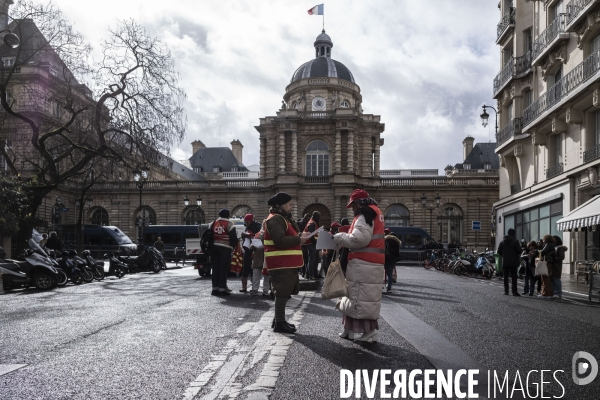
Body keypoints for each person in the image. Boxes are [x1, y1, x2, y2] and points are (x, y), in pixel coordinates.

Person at [333, 189, 385, 343]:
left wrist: (340, 237)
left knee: (359, 298)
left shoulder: (364, 214)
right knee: (357, 297)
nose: (353, 209)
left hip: (363, 262)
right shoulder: (375, 212)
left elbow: (359, 240)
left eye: (353, 205)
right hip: (371, 262)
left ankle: (369, 333)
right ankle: (349, 329)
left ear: (358, 203)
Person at [264, 192, 308, 334]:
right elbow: (280, 241)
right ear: (281, 205)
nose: (292, 206)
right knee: (282, 292)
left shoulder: (280, 218)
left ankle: (278, 319)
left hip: (284, 262)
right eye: (289, 204)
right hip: (280, 262)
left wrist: (299, 237)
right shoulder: (276, 219)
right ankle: (280, 323)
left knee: (284, 291)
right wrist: (298, 240)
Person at [209, 209, 239, 296]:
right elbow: (233, 238)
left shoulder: (213, 223)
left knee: (215, 268)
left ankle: (215, 289)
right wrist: (234, 246)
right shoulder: (230, 224)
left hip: (214, 247)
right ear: (228, 215)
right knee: (223, 268)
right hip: (225, 248)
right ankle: (222, 289)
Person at [240, 213, 262, 293]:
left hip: (256, 248)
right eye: (245, 221)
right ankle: (244, 286)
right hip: (247, 248)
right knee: (245, 266)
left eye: (247, 221)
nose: (246, 223)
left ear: (251, 220)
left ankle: (254, 286)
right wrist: (244, 236)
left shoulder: (258, 225)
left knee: (255, 267)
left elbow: (260, 235)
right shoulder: (247, 226)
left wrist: (250, 235)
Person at [497, 228, 521, 296]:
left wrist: (504, 254)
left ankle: (506, 291)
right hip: (514, 262)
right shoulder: (516, 241)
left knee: (505, 277)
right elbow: (519, 251)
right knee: (514, 277)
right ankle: (514, 291)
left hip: (505, 261)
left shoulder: (502, 242)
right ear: (513, 233)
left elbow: (499, 252)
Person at [250, 222, 267, 296]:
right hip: (258, 255)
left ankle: (265, 290)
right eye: (263, 224)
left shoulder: (269, 233)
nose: (263, 226)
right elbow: (253, 242)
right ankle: (255, 289)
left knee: (266, 274)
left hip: (265, 255)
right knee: (256, 273)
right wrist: (252, 246)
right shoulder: (258, 234)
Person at [302, 211, 321, 280]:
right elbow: (311, 235)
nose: (319, 218)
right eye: (318, 217)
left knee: (312, 259)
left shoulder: (312, 222)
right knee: (312, 260)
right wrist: (315, 243)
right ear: (315, 216)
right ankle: (311, 275)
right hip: (311, 244)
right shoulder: (312, 223)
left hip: (310, 243)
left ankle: (307, 274)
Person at [384, 228, 401, 293]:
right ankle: (389, 288)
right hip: (392, 260)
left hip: (385, 258)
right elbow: (397, 253)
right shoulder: (397, 243)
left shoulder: (386, 240)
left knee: (379, 273)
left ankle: (378, 287)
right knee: (390, 274)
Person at [539, 234, 555, 298]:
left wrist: (536, 251)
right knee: (547, 277)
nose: (543, 240)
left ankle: (545, 293)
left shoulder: (548, 244)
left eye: (544, 239)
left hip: (547, 262)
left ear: (546, 239)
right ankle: (549, 292)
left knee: (545, 277)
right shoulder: (551, 245)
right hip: (550, 262)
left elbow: (542, 252)